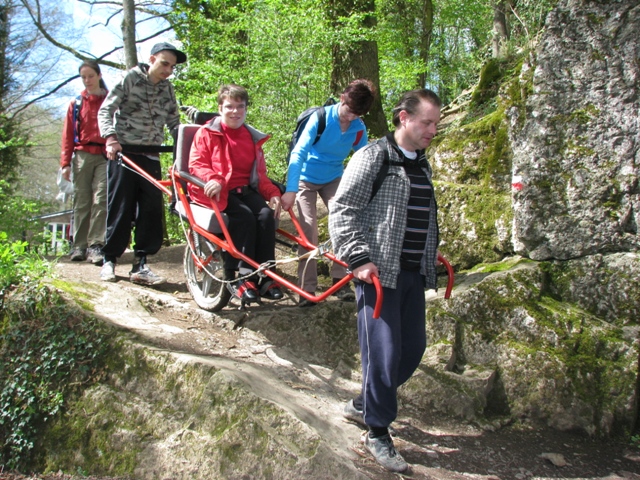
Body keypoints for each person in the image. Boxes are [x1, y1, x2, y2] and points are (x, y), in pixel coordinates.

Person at [329, 89, 442, 473]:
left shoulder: (422, 163)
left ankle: (364, 403)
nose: (432, 129)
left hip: (413, 272)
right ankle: (377, 430)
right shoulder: (374, 156)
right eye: (427, 122)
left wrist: (431, 254)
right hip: (377, 275)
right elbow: (342, 209)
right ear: (403, 117)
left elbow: (417, 214)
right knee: (385, 353)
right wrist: (358, 258)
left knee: (412, 349)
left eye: (436, 124)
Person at [97, 42, 186, 285]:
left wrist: (185, 148)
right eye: (164, 63)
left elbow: (174, 123)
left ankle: (141, 263)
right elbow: (106, 110)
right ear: (152, 59)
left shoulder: (168, 89)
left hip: (151, 155)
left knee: (150, 210)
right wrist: (111, 138)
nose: (168, 70)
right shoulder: (131, 79)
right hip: (124, 154)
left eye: (172, 67)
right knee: (121, 207)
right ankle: (109, 260)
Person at [281, 79, 376, 307]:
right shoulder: (321, 118)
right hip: (305, 178)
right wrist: (291, 189)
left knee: (344, 223)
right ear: (342, 98)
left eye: (357, 114)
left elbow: (362, 159)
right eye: (349, 111)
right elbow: (298, 153)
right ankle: (307, 289)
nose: (350, 117)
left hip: (334, 178)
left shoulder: (358, 127)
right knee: (308, 231)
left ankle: (340, 281)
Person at [188, 84, 284, 303]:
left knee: (266, 215)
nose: (235, 111)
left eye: (240, 106)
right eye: (229, 106)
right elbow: (196, 164)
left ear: (246, 109)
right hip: (218, 192)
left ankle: (266, 275)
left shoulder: (251, 137)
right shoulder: (207, 133)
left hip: (245, 189)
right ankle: (240, 276)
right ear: (220, 108)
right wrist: (214, 179)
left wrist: (272, 193)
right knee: (244, 217)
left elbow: (260, 175)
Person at [60, 60, 108, 265]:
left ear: (98, 75)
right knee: (82, 200)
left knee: (101, 199)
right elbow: (67, 135)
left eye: (90, 76)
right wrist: (65, 164)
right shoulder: (76, 103)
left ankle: (96, 245)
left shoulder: (110, 100)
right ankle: (78, 245)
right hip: (82, 155)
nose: (87, 80)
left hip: (106, 155)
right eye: (83, 77)